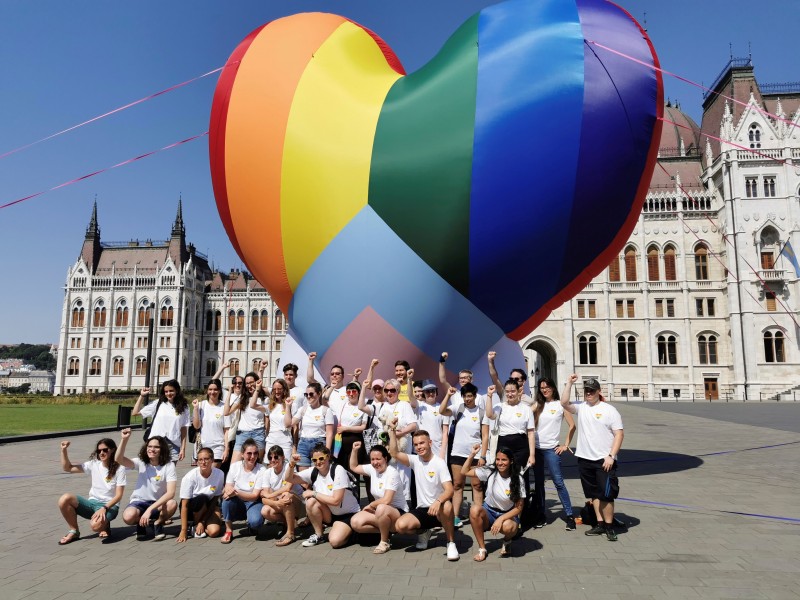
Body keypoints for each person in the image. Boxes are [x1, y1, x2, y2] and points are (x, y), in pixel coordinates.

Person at [561, 376, 624, 542]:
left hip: (604, 460)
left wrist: (611, 456)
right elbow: (564, 403)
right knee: (594, 494)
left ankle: (609, 527)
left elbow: (619, 434)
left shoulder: (609, 410)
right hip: (584, 458)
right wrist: (569, 383)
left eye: (592, 390)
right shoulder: (582, 407)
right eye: (586, 391)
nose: (589, 393)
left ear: (599, 391)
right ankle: (600, 523)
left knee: (607, 495)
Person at [389, 424, 459, 561]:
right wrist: (392, 431)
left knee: (448, 506)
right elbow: (394, 453)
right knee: (400, 526)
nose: (419, 447)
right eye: (416, 444)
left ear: (430, 443)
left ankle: (451, 543)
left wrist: (438, 501)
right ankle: (424, 532)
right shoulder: (415, 460)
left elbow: (450, 490)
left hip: (439, 510)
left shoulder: (439, 463)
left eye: (422, 443)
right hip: (422, 510)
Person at [285, 444, 361, 548]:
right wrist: (292, 463)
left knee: (335, 542)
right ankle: (319, 535)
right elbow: (290, 479)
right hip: (330, 513)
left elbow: (336, 501)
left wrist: (313, 493)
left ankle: (354, 532)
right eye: (314, 460)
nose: (318, 462)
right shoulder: (314, 471)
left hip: (348, 514)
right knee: (311, 502)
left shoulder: (338, 470)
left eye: (321, 458)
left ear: (328, 457)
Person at [484, 378, 536, 524]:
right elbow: (489, 415)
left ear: (519, 391)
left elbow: (530, 432)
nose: (510, 394)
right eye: (507, 391)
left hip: (521, 446)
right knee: (503, 477)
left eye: (513, 391)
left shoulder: (526, 409)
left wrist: (532, 454)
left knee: (519, 480)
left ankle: (520, 517)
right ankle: (504, 513)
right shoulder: (500, 406)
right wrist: (489, 396)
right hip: (504, 444)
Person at [461, 444, 525, 561]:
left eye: (504, 460)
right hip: (489, 511)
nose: (500, 463)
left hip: (507, 514)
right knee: (474, 510)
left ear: (511, 461)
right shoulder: (489, 472)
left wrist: (500, 519)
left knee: (508, 527)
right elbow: (464, 471)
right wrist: (472, 454)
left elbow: (519, 508)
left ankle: (507, 540)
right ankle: (482, 548)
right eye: (498, 459)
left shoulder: (518, 479)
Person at [57, 437, 126, 544]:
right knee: (64, 499)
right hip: (92, 503)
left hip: (109, 507)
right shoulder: (93, 464)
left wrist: (104, 508)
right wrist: (63, 450)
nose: (101, 453)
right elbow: (67, 468)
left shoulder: (119, 468)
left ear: (112, 450)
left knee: (95, 526)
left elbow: (119, 496)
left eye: (105, 450)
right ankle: (74, 531)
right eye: (99, 451)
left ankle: (105, 525)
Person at [439, 383, 489, 528]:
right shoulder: (458, 409)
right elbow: (442, 410)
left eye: (469, 396)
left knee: (477, 485)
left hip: (475, 454)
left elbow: (485, 436)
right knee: (457, 485)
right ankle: (455, 517)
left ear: (474, 396)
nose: (467, 399)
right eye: (465, 396)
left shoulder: (482, 412)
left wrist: (483, 456)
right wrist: (448, 395)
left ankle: (478, 515)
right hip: (457, 453)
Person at [116, 428, 178, 541]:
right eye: (149, 446)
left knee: (172, 504)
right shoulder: (141, 462)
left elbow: (171, 493)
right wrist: (124, 440)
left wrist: (150, 510)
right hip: (139, 501)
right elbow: (119, 459)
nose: (152, 449)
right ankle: (141, 523)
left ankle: (158, 523)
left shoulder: (169, 466)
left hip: (158, 503)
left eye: (156, 447)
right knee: (128, 516)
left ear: (162, 449)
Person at [533, 377, 577, 530]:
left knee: (558, 482)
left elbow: (572, 426)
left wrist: (565, 445)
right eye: (541, 387)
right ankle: (541, 515)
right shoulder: (538, 405)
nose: (544, 390)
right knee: (538, 484)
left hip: (552, 449)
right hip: (537, 450)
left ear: (553, 387)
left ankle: (569, 515)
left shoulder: (560, 405)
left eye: (547, 387)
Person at [349, 442, 408, 554]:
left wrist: (370, 505)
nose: (375, 462)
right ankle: (387, 531)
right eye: (372, 459)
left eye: (378, 459)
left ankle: (384, 542)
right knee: (355, 522)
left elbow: (387, 500)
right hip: (380, 512)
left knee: (381, 507)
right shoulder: (372, 469)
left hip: (398, 512)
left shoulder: (392, 473)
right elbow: (354, 467)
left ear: (385, 458)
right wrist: (354, 450)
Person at [132, 380, 190, 462]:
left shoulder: (184, 407)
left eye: (171, 391)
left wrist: (183, 448)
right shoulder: (158, 403)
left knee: (170, 473)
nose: (168, 394)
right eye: (166, 391)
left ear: (177, 390)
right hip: (155, 444)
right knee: (155, 472)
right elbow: (135, 413)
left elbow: (184, 428)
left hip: (173, 445)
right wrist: (141, 396)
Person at [259, 445, 305, 547]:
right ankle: (289, 522)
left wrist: (271, 495)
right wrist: (275, 502)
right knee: (265, 511)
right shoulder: (267, 473)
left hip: (299, 504)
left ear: (283, 457)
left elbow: (288, 488)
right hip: (281, 503)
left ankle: (290, 534)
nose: (273, 460)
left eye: (276, 457)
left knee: (286, 495)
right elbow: (264, 499)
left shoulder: (289, 468)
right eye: (270, 458)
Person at [220, 438, 264, 543]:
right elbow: (228, 486)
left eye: (255, 453)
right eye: (249, 453)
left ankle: (251, 524)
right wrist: (229, 491)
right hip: (237, 501)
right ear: (242, 454)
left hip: (253, 502)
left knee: (256, 522)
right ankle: (229, 530)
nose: (252, 457)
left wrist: (235, 492)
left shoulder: (262, 469)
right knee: (226, 499)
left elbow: (254, 496)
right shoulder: (235, 466)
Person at [176, 447, 224, 542]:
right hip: (191, 509)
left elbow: (215, 498)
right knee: (202, 498)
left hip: (209, 507)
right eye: (200, 460)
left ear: (212, 460)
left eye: (206, 459)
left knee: (214, 532)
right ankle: (192, 525)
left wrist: (203, 521)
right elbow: (184, 505)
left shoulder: (219, 474)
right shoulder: (189, 477)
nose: (203, 462)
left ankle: (202, 524)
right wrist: (183, 530)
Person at [224, 368, 268, 462]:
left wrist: (259, 384)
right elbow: (226, 412)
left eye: (251, 382)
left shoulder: (264, 399)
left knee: (256, 466)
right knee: (234, 467)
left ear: (257, 382)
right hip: (242, 434)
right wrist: (229, 393)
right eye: (247, 383)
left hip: (258, 433)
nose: (249, 385)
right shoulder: (242, 399)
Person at [287, 382, 334, 469]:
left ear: (319, 394)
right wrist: (287, 407)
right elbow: (289, 424)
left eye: (311, 394)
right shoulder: (303, 409)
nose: (308, 396)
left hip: (319, 444)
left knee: (316, 474)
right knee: (303, 477)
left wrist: (327, 452)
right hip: (303, 444)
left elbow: (329, 433)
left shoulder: (326, 411)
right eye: (306, 394)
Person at [334, 381, 367, 491]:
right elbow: (325, 398)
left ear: (358, 393)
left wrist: (346, 428)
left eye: (354, 391)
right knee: (341, 472)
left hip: (356, 441)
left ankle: (355, 501)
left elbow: (363, 427)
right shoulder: (342, 404)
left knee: (353, 472)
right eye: (348, 392)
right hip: (341, 442)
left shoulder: (363, 406)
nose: (351, 394)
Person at [192, 379, 228, 467]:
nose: (213, 392)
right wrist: (196, 409)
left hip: (218, 446)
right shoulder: (201, 405)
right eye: (210, 389)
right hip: (203, 446)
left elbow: (226, 430)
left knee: (212, 471)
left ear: (219, 391)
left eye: (215, 389)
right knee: (203, 474)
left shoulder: (224, 407)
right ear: (207, 391)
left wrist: (227, 449)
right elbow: (196, 426)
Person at [257, 378, 296, 460]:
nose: (277, 391)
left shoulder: (291, 404)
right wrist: (257, 389)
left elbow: (294, 427)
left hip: (285, 440)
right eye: (274, 389)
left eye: (279, 389)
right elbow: (252, 405)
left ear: (284, 390)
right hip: (271, 440)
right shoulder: (270, 405)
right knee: (270, 465)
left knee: (286, 466)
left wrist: (294, 446)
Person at [415, 381, 449, 459]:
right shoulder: (419, 406)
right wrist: (409, 379)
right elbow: (410, 396)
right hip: (422, 447)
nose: (430, 393)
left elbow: (445, 432)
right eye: (427, 391)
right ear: (424, 393)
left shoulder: (442, 408)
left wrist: (443, 451)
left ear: (436, 392)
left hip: (438, 447)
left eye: (433, 391)